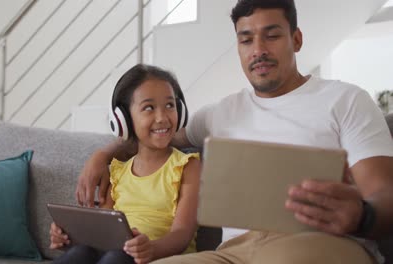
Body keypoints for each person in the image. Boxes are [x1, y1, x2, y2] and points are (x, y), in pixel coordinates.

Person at [76, 0, 393, 263]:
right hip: (231, 255)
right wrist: (102, 155)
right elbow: (157, 134)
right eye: (246, 40)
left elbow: (385, 193)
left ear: (296, 39)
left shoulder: (346, 100)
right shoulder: (219, 113)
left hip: (316, 244)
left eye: (271, 36)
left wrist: (362, 216)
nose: (258, 50)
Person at [49, 64, 201, 264]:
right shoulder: (117, 172)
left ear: (180, 111)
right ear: (125, 120)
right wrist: (68, 237)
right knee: (80, 254)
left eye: (170, 105)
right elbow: (102, 232)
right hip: (117, 255)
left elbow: (182, 234)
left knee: (116, 258)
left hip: (160, 257)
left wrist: (150, 249)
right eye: (149, 108)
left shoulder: (188, 166)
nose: (162, 117)